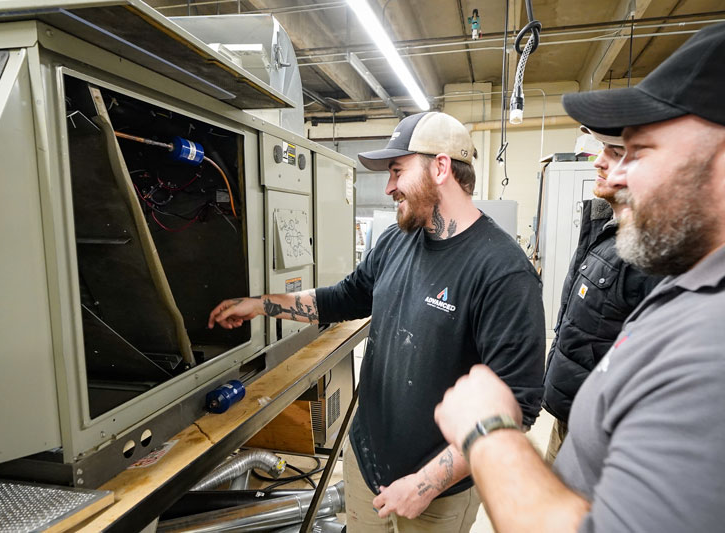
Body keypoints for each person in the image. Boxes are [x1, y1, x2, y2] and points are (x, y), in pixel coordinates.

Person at [433, 23, 725, 533]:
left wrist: (489, 432)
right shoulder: (689, 281)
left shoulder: (713, 345)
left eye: (640, 152)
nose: (612, 177)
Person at [209, 111, 545, 532]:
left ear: (441, 167)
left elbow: (517, 407)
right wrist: (262, 305)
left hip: (436, 495)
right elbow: (345, 298)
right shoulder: (396, 240)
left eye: (397, 171)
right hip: (366, 463)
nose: (388, 188)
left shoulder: (502, 271)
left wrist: (424, 484)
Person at [542, 128, 663, 463]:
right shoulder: (607, 231)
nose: (598, 162)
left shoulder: (651, 254)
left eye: (613, 152)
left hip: (601, 438)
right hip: (570, 416)